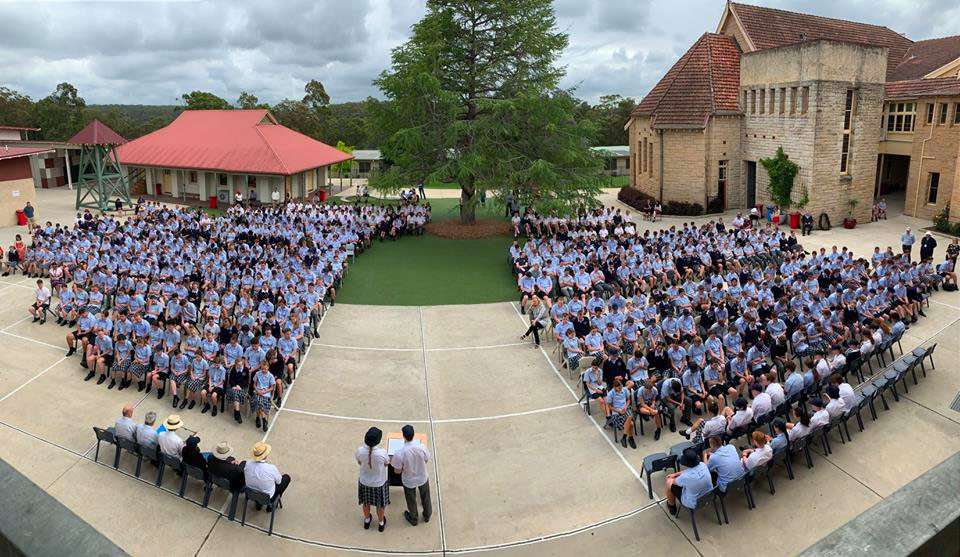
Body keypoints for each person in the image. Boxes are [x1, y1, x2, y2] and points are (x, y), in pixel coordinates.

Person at [391, 424, 432, 526]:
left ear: (403, 436)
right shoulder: (422, 447)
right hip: (422, 476)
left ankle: (413, 518)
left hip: (409, 480)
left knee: (411, 500)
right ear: (414, 435)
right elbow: (426, 459)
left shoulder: (400, 453)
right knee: (426, 497)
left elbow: (397, 471)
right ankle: (427, 515)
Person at [356, 427, 390, 532]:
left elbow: (359, 462)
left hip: (364, 482)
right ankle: (381, 523)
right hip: (378, 483)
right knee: (380, 505)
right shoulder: (382, 453)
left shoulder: (360, 451)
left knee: (366, 503)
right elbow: (386, 463)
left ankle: (367, 521)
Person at [664, 448, 713, 516]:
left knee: (669, 482)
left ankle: (671, 507)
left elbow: (674, 482)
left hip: (693, 503)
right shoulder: (703, 465)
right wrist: (676, 474)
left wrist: (671, 477)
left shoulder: (685, 477)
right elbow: (689, 471)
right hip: (709, 496)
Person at [245, 442, 291, 509]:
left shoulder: (247, 463)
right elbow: (278, 482)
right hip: (268, 497)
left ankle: (258, 504)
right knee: (286, 478)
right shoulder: (271, 468)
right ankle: (273, 503)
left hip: (251, 494)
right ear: (265, 455)